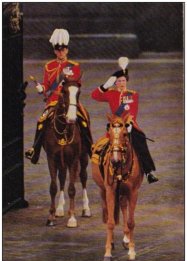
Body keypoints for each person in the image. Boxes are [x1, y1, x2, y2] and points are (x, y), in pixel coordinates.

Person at [25, 28, 92, 164]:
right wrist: (41, 88)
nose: (60, 52)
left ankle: (92, 149)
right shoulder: (49, 66)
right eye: (58, 50)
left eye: (63, 50)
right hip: (53, 101)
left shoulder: (74, 66)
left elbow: (76, 84)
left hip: (70, 101)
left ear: (67, 50)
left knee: (84, 121)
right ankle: (34, 151)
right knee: (41, 122)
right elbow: (46, 85)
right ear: (55, 50)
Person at [91, 60, 158, 184]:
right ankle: (101, 168)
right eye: (118, 81)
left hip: (129, 125)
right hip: (115, 125)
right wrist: (105, 86)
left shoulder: (133, 95)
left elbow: (132, 111)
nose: (121, 83)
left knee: (140, 141)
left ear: (126, 81)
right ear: (115, 82)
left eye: (123, 80)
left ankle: (149, 172)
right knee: (103, 146)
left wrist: (129, 124)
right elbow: (94, 96)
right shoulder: (110, 93)